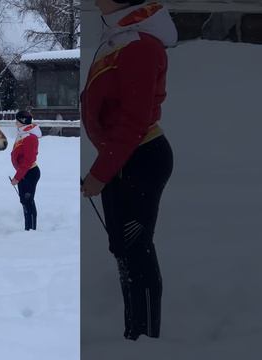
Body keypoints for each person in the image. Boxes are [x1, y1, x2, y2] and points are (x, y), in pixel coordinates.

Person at [80, 0, 177, 341]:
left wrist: (100, 174)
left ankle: (147, 336)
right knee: (122, 247)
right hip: (123, 155)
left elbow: (132, 123)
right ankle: (133, 331)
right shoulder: (121, 35)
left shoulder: (139, 45)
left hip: (140, 156)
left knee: (136, 248)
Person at [11, 110, 41, 231]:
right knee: (24, 201)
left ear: (22, 121)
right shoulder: (23, 134)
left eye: (17, 121)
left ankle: (31, 230)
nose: (15, 123)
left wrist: (17, 177)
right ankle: (27, 228)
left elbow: (28, 161)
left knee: (28, 201)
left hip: (29, 173)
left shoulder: (29, 138)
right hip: (24, 172)